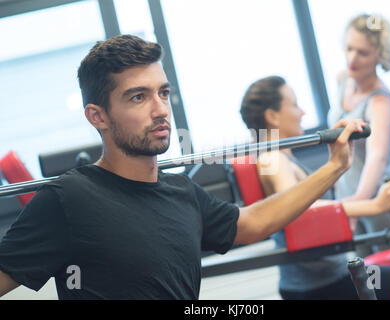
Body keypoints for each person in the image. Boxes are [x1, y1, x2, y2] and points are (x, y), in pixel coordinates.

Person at [0, 35, 364, 300]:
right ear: (98, 116)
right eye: (138, 97)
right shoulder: (69, 199)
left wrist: (335, 167)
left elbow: (252, 223)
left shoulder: (181, 192)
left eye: (163, 92)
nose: (160, 109)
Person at [240, 75, 390, 300]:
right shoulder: (273, 159)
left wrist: (341, 156)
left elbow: (311, 201)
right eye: (294, 105)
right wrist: (373, 205)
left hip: (329, 278)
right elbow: (300, 210)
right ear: (272, 116)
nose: (302, 112)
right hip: (322, 287)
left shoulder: (281, 157)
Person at [328, 14, 390, 257]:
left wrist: (358, 203)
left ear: (380, 56)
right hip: (353, 201)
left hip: (383, 203)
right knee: (366, 284)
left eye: (363, 53)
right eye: (349, 49)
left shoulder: (380, 102)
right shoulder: (342, 80)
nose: (352, 59)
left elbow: (376, 157)